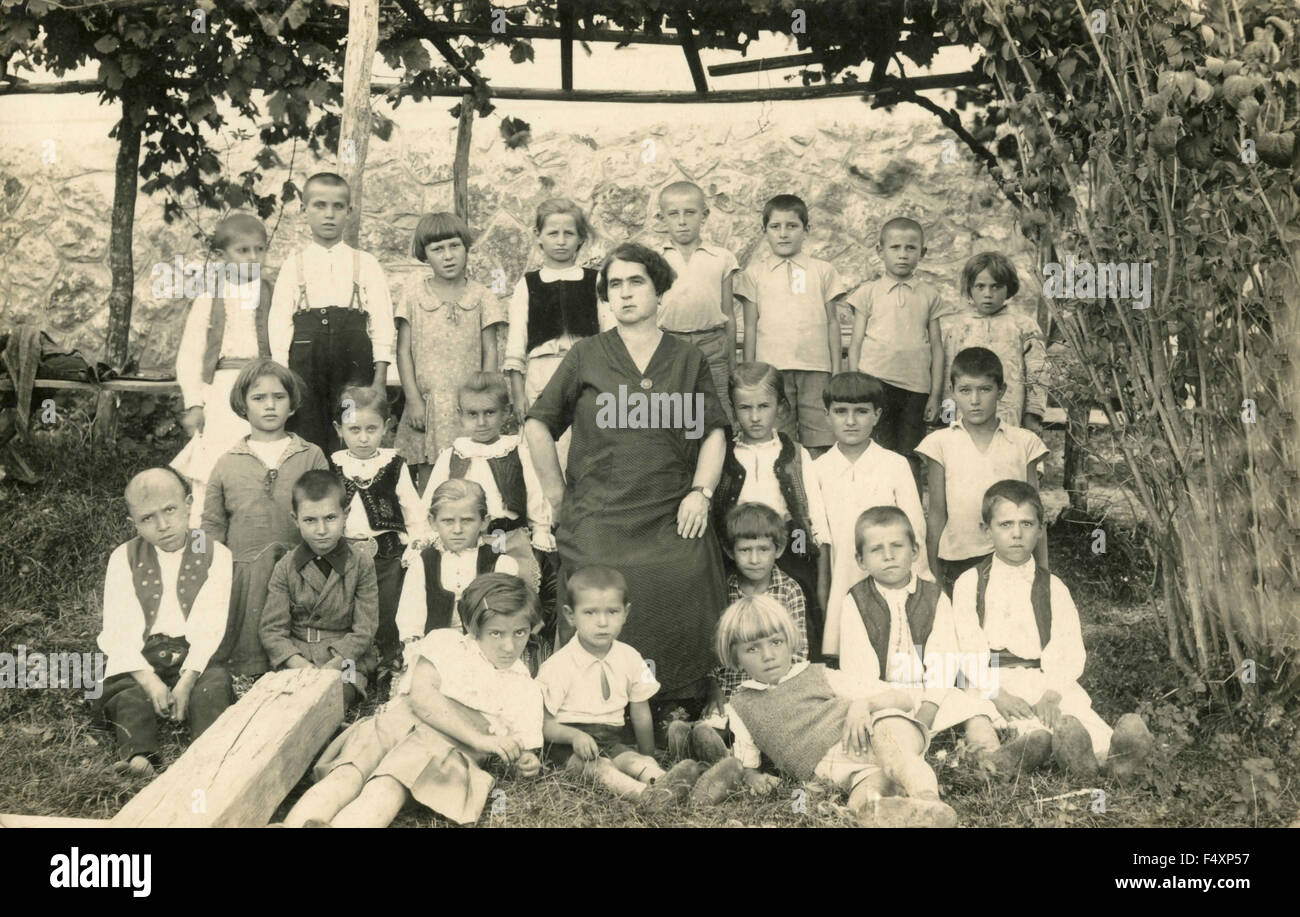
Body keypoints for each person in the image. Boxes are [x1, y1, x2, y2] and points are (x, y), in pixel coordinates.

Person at [524, 241, 729, 716]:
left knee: (687, 568)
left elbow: (713, 432)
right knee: (599, 584)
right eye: (614, 284)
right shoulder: (586, 356)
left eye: (637, 281)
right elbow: (538, 423)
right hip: (599, 511)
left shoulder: (686, 359)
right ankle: (600, 702)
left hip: (668, 508)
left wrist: (701, 493)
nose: (625, 293)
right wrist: (557, 495)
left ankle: (679, 702)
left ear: (660, 291)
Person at [284, 574, 543, 827]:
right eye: (496, 634)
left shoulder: (524, 687)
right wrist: (481, 740)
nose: (510, 646)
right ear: (474, 629)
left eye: (520, 632)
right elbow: (422, 698)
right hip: (397, 724)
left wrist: (525, 761)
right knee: (347, 773)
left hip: (440, 750)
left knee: (386, 786)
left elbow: (525, 748)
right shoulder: (447, 644)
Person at [951, 481, 1153, 779]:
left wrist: (1051, 693)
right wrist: (997, 693)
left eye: (1026, 524)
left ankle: (1109, 759)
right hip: (990, 682)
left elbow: (1068, 646)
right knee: (1007, 723)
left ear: (1040, 529)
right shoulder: (970, 583)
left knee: (1074, 716)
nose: (1017, 534)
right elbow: (966, 646)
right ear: (987, 529)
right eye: (1005, 524)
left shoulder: (1053, 587)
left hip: (1042, 679)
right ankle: (1029, 757)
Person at [719, 595, 958, 828]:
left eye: (776, 642)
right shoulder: (742, 705)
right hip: (850, 772)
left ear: (790, 641)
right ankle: (902, 817)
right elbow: (748, 764)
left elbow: (903, 699)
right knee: (861, 803)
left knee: (897, 758)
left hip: (877, 732)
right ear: (735, 657)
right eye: (752, 649)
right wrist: (754, 778)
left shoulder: (817, 674)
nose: (768, 656)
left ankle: (929, 802)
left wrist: (862, 705)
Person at [96, 468, 233, 776]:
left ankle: (208, 753)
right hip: (141, 657)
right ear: (134, 524)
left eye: (169, 510)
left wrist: (187, 680)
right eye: (148, 518)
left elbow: (210, 625)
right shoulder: (124, 557)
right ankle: (140, 756)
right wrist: (149, 680)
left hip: (194, 654)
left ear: (188, 503)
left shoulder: (216, 554)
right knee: (125, 694)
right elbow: (119, 630)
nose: (163, 525)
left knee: (214, 686)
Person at [202, 359, 328, 677]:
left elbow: (326, 511)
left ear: (292, 403)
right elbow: (213, 525)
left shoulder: (310, 455)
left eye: (279, 397)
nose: (270, 406)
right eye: (259, 398)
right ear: (243, 405)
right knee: (246, 655)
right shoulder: (227, 462)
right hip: (244, 577)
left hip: (300, 569)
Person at [670, 502, 811, 764]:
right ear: (730, 551)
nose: (755, 559)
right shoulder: (723, 589)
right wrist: (714, 689)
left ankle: (721, 757)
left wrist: (780, 693)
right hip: (730, 693)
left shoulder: (790, 590)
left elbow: (798, 650)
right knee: (718, 722)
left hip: (773, 691)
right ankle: (696, 743)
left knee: (766, 729)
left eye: (763, 550)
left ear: (778, 550)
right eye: (745, 550)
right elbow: (712, 648)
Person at [837, 506, 989, 747]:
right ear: (861, 560)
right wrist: (879, 702)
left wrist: (928, 708)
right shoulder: (855, 601)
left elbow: (944, 659)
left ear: (915, 550)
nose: (888, 556)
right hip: (881, 696)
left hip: (930, 693)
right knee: (884, 730)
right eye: (876, 549)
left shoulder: (934, 597)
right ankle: (906, 749)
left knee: (975, 711)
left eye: (897, 546)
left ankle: (991, 756)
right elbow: (857, 670)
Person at [269, 171, 396, 455]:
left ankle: (353, 492)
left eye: (338, 207)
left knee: (352, 428)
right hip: (304, 368)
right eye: (320, 205)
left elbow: (383, 323)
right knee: (307, 433)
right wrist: (283, 379)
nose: (329, 215)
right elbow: (279, 326)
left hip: (353, 366)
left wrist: (379, 380)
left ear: (349, 211)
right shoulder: (294, 265)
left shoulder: (365, 263)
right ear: (304, 210)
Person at [714, 362, 830, 652]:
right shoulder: (723, 453)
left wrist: (811, 555)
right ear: (733, 409)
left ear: (780, 406)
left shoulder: (795, 453)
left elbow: (813, 514)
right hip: (737, 551)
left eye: (764, 406)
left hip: (788, 548)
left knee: (792, 610)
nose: (754, 417)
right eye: (745, 408)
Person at [915, 347, 1049, 596]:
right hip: (957, 559)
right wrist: (932, 575)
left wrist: (1043, 572)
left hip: (1011, 556)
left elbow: (1036, 514)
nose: (975, 401)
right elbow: (936, 514)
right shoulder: (940, 444)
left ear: (1001, 391)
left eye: (984, 390)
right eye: (965, 391)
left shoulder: (1024, 442)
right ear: (952, 392)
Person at [813, 372, 929, 660]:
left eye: (861, 412)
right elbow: (822, 543)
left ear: (877, 415)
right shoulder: (818, 469)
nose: (851, 421)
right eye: (841, 412)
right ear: (827, 415)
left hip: (894, 579)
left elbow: (916, 532)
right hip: (844, 582)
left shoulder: (895, 465)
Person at [172, 212, 274, 526]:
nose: (253, 258)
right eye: (243, 251)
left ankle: (254, 529)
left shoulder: (274, 295)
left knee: (260, 461)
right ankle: (203, 533)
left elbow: (284, 344)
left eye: (259, 250)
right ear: (221, 257)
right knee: (212, 464)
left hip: (262, 386)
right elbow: (190, 354)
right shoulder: (209, 297)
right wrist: (195, 402)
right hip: (221, 391)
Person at [394, 212, 506, 489]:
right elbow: (403, 351)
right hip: (429, 405)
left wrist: (484, 400)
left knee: (472, 473)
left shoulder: (481, 296)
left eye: (454, 246)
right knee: (430, 479)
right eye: (437, 249)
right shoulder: (413, 296)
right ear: (425, 254)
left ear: (466, 247)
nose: (448, 256)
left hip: (468, 406)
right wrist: (414, 400)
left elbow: (490, 351)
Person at [733, 194, 848, 453]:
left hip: (817, 369)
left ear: (806, 230)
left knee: (821, 440)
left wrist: (837, 370)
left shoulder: (822, 270)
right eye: (775, 227)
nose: (783, 234)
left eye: (792, 226)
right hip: (773, 372)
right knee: (778, 442)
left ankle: (818, 492)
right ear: (765, 232)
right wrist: (752, 374)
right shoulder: (754, 274)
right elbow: (750, 326)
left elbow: (832, 322)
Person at [538, 566, 666, 797]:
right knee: (600, 768)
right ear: (570, 615)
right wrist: (575, 736)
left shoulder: (631, 657)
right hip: (567, 743)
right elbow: (544, 724)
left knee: (634, 760)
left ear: (626, 613)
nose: (602, 622)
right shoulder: (558, 666)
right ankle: (643, 795)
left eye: (612, 612)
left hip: (611, 738)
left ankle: (665, 783)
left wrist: (648, 754)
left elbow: (640, 711)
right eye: (590, 613)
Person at [420, 372, 551, 597]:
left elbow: (535, 498)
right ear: (460, 415)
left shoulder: (518, 453)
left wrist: (540, 530)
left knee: (507, 593)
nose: (481, 422)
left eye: (489, 413)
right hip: (462, 539)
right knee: (466, 593)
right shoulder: (452, 456)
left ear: (506, 413)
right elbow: (430, 502)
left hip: (505, 538)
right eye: (472, 414)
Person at [503, 198, 609, 468]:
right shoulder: (528, 285)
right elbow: (516, 346)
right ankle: (544, 510)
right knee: (542, 448)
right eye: (553, 233)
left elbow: (609, 337)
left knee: (586, 445)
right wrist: (518, 396)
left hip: (586, 373)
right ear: (538, 237)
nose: (561, 241)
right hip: (541, 375)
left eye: (568, 233)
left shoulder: (594, 281)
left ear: (580, 239)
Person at [330, 385, 430, 670]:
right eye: (354, 430)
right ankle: (355, 663)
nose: (363, 438)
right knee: (350, 608)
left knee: (387, 608)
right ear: (339, 429)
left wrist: (416, 544)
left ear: (386, 427)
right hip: (345, 556)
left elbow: (413, 511)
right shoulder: (334, 465)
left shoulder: (394, 465)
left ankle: (389, 661)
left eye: (371, 429)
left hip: (386, 557)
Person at [259, 470, 378, 706]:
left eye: (330, 518)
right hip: (299, 658)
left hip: (344, 660)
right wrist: (300, 665)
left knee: (332, 698)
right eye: (310, 520)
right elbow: (272, 630)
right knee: (288, 704)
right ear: (295, 520)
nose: (321, 530)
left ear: (346, 515)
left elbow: (365, 628)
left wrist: (333, 665)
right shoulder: (285, 567)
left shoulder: (361, 563)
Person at [845, 217, 949, 485]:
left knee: (910, 453)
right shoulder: (868, 293)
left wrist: (935, 396)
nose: (903, 255)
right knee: (879, 449)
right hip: (875, 382)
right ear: (880, 251)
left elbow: (937, 348)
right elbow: (855, 344)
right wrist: (855, 386)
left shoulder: (929, 295)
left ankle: (910, 511)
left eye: (911, 248)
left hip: (915, 388)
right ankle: (877, 507)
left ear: (922, 253)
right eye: (895, 247)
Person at [394, 479, 519, 648]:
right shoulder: (422, 564)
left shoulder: (500, 564)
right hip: (436, 653)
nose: (457, 529)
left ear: (484, 521)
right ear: (432, 522)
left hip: (486, 653)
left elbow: (508, 619)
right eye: (448, 521)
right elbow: (410, 622)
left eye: (467, 520)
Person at [654, 181, 741, 424]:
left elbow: (729, 314)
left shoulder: (721, 258)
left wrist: (733, 361)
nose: (682, 221)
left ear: (704, 215)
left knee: (718, 407)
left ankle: (723, 460)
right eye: (673, 214)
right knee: (670, 413)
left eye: (690, 213)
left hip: (712, 344)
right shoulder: (653, 258)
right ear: (662, 218)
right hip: (667, 344)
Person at [939, 251, 1046, 433]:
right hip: (965, 416)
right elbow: (949, 372)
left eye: (996, 287)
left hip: (1011, 416)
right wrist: (946, 416)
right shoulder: (958, 328)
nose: (988, 294)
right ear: (970, 288)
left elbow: (1038, 372)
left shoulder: (1024, 327)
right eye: (980, 286)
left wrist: (1033, 414)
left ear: (1009, 288)